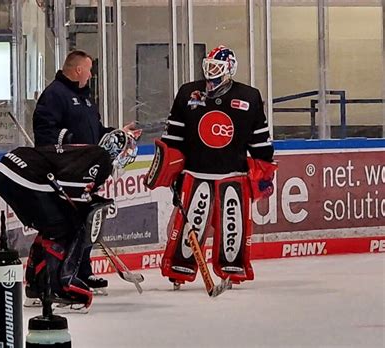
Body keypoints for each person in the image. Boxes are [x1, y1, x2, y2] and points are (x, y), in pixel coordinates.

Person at [144, 45, 277, 289]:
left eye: (216, 67)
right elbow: (173, 139)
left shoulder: (249, 96)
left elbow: (260, 141)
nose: (211, 73)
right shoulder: (188, 93)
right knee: (190, 223)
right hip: (195, 173)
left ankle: (231, 267)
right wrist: (171, 173)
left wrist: (263, 169)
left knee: (233, 224)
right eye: (208, 66)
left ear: (229, 69)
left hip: (233, 176)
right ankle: (178, 269)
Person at [29, 50, 141, 302]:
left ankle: (81, 271)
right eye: (89, 69)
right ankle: (50, 276)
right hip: (64, 173)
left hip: (85, 171)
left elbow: (96, 132)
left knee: (87, 220)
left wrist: (118, 133)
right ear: (78, 69)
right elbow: (45, 132)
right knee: (66, 224)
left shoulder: (85, 98)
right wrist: (72, 144)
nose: (91, 75)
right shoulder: (55, 95)